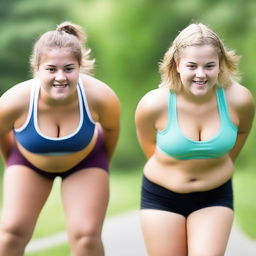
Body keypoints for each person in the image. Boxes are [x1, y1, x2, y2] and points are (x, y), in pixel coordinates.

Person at [0, 21, 120, 256]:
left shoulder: (101, 96)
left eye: (68, 68)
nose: (60, 77)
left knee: (85, 237)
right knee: (11, 232)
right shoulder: (14, 101)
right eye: (51, 69)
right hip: (28, 163)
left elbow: (112, 130)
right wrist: (12, 160)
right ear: (37, 68)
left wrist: (102, 163)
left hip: (85, 163)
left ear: (80, 66)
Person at [135, 23, 254, 256]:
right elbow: (149, 144)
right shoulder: (153, 104)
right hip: (161, 196)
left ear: (220, 65)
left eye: (209, 66)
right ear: (177, 65)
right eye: (192, 66)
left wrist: (222, 162)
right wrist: (173, 166)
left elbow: (242, 131)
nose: (201, 74)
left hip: (214, 194)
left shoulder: (240, 99)